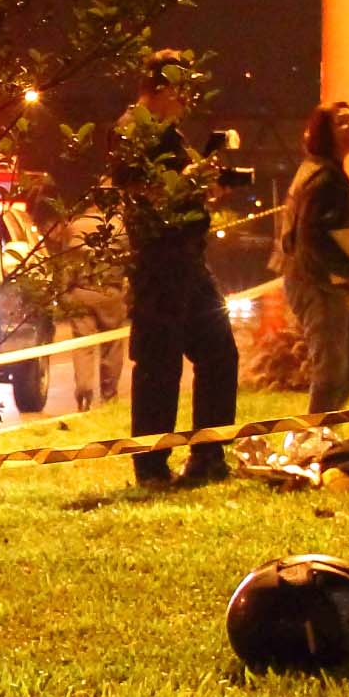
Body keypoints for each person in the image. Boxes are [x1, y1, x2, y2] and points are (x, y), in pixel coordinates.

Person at [122, 52, 240, 487]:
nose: (189, 98)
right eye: (183, 88)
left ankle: (208, 455)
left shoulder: (172, 136)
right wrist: (192, 180)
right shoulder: (133, 131)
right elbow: (143, 190)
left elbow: (180, 191)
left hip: (189, 259)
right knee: (159, 364)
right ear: (163, 87)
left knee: (219, 353)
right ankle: (152, 467)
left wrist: (206, 188)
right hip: (159, 262)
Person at [276, 101, 349, 415]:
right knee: (331, 372)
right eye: (342, 122)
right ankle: (312, 436)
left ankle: (324, 431)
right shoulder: (323, 178)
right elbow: (311, 237)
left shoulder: (329, 172)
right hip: (316, 282)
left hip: (326, 281)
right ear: (324, 132)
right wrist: (348, 271)